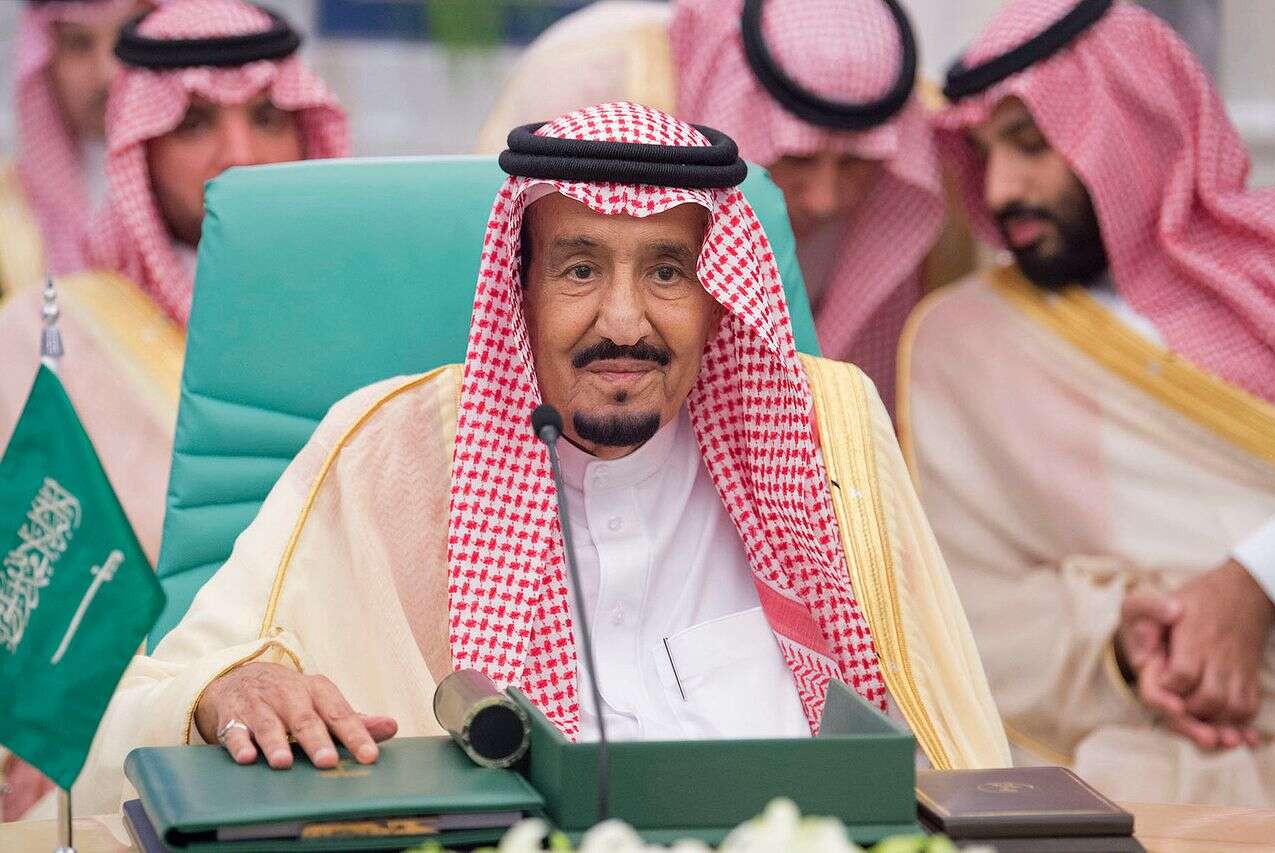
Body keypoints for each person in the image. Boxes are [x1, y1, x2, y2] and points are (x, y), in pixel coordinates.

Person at [78, 102, 1009, 815]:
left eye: (667, 270)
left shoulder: (826, 441)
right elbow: (130, 719)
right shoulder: (388, 453)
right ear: (518, 287)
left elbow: (951, 750)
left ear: (720, 295)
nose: (623, 320)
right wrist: (221, 691)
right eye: (579, 268)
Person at [901, 0, 1275, 806]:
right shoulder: (964, 343)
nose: (1000, 189)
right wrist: (1123, 648)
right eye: (983, 153)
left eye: (1032, 145)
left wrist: (1256, 582)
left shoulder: (1271, 271)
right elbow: (963, 606)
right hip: (1144, 733)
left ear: (1135, 128)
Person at [0, 0, 348, 821]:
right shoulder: (47, 335)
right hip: (133, 766)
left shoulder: (367, 324)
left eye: (268, 118)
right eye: (193, 124)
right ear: (137, 145)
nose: (241, 155)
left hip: (364, 733)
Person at [476, 0, 970, 410]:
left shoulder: (926, 156)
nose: (825, 200)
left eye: (857, 163)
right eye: (797, 158)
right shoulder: (593, 74)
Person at [1, 0, 148, 300]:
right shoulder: (9, 203)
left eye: (130, 37)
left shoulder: (203, 184)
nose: (107, 72)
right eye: (79, 44)